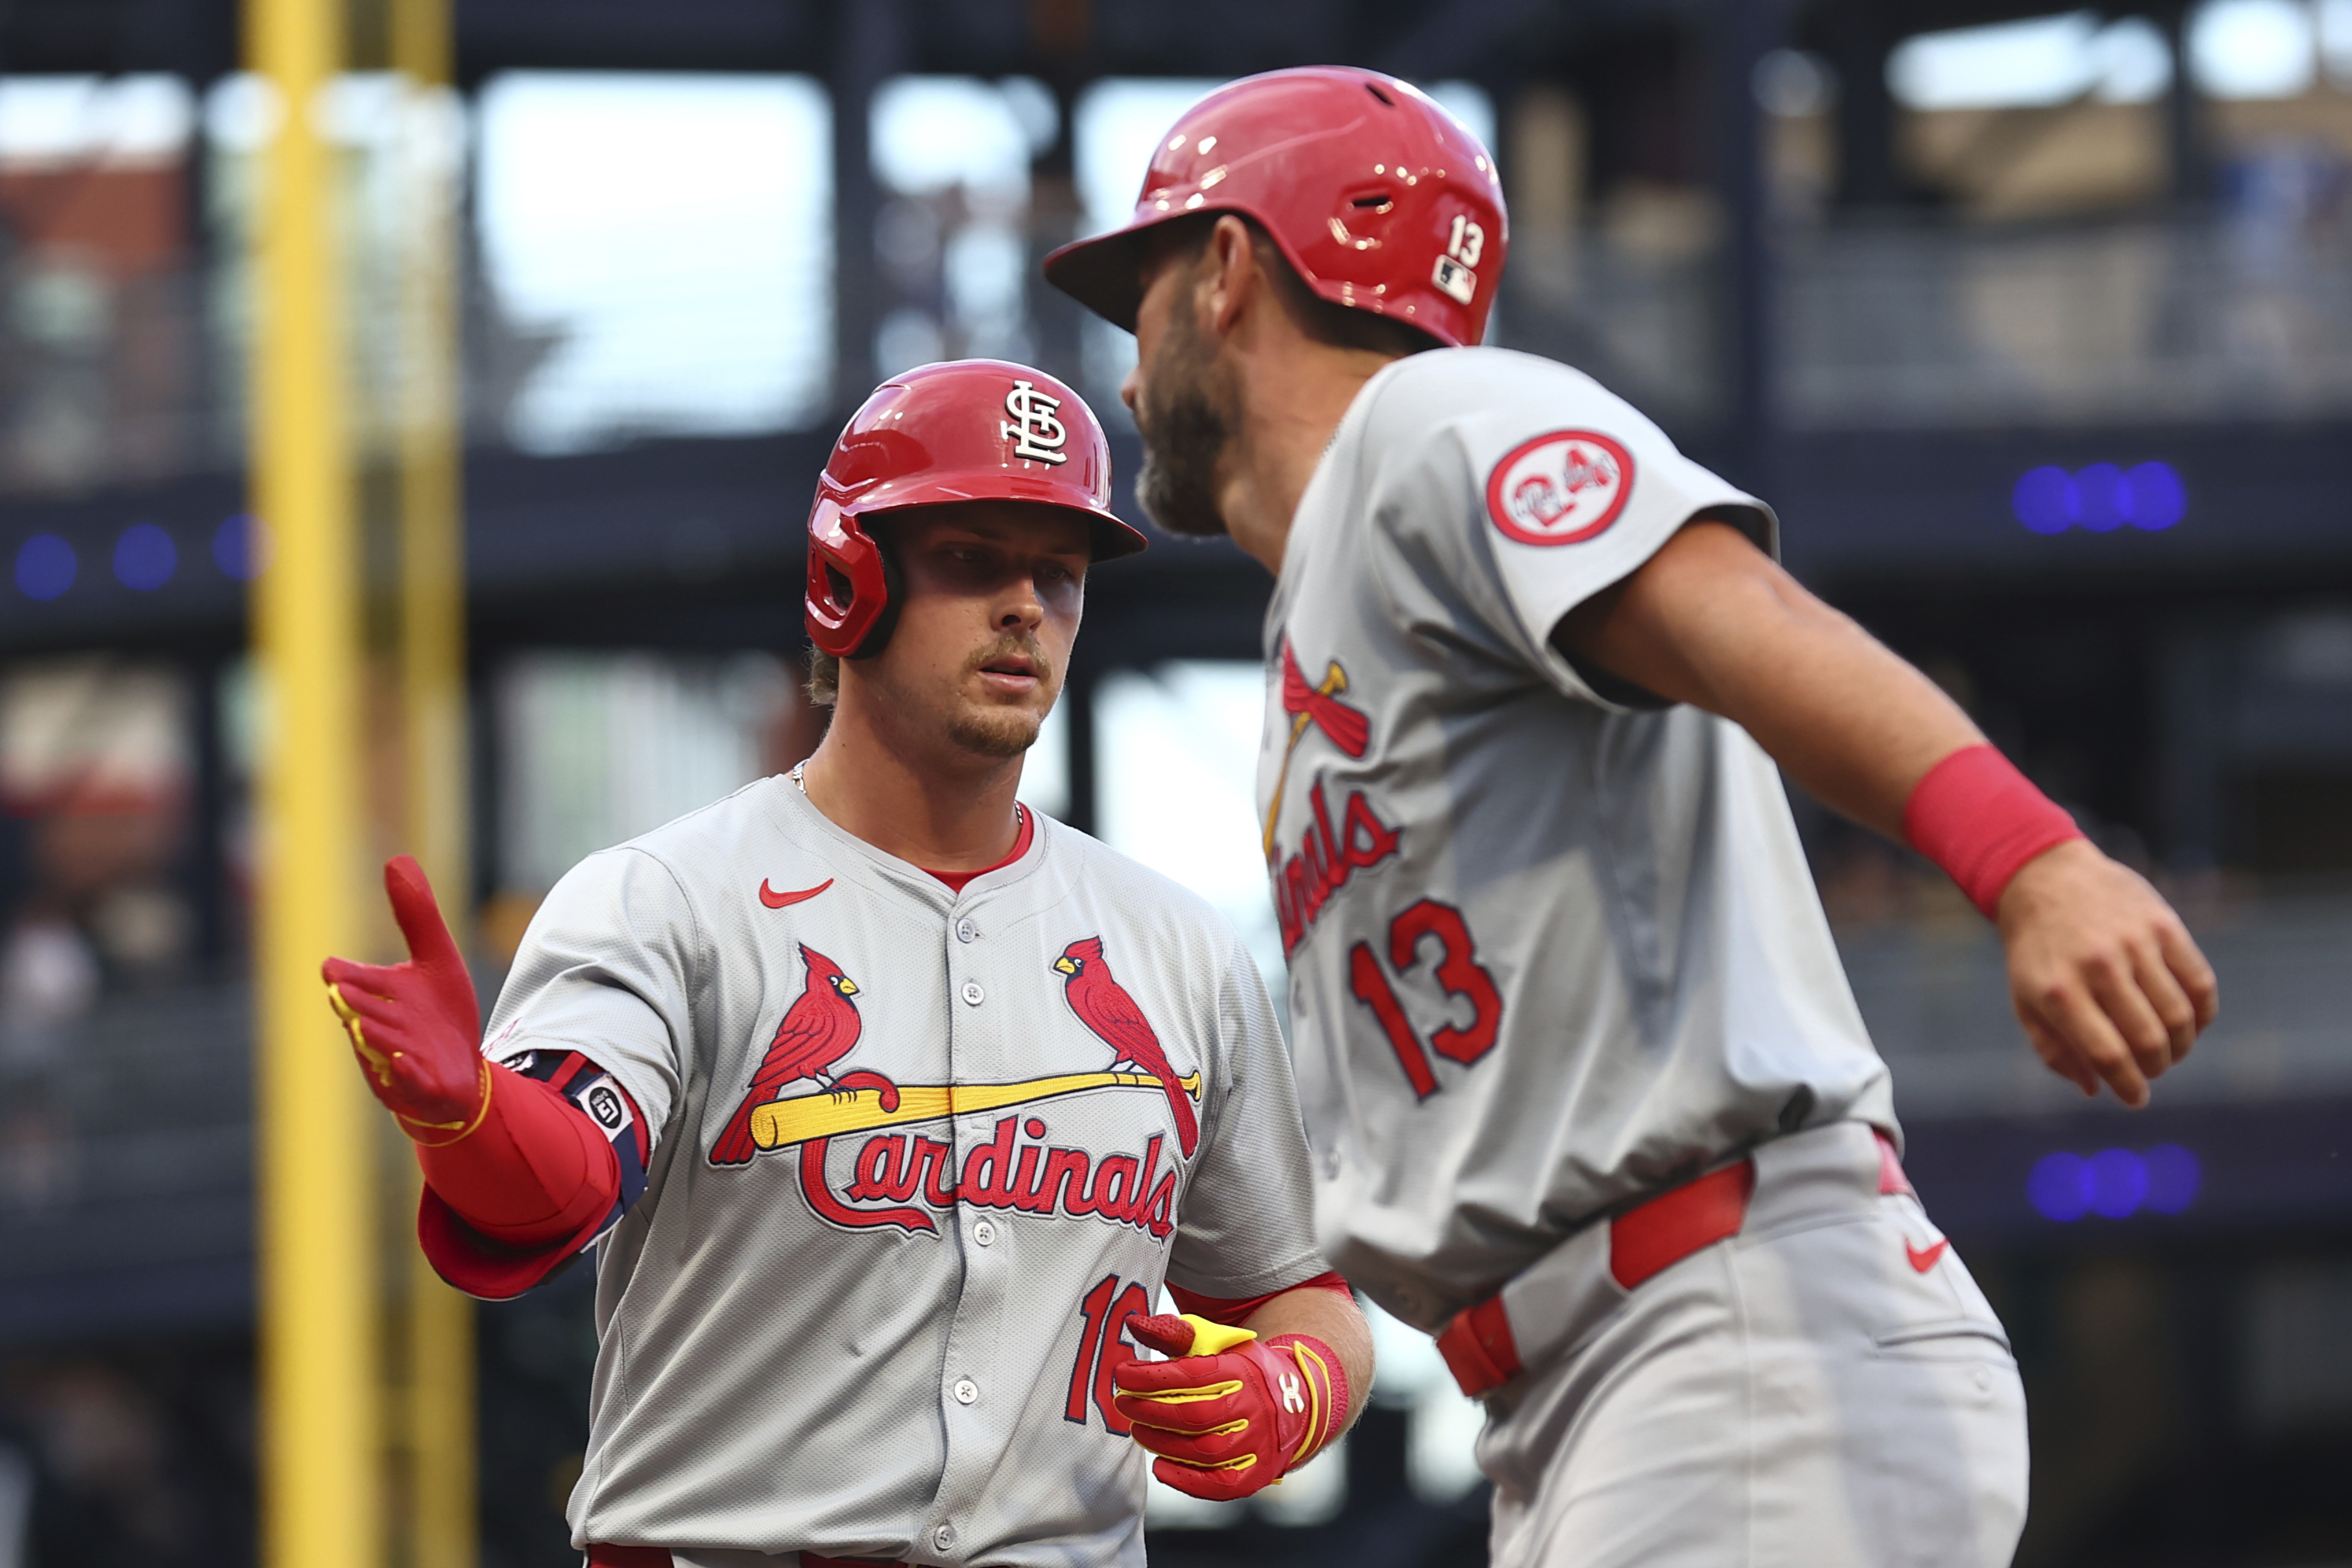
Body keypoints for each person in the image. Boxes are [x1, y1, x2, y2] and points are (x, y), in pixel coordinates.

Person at [1044, 68, 2220, 1567]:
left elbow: (1741, 618)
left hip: (1726, 1337)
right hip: (1598, 1394)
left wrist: (2031, 858)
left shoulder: (1433, 423)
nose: (1125, 368)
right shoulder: (1332, 600)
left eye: (1137, 287)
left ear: (1225, 273)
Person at [319, 359, 1370, 1568]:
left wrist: (1292, 1390)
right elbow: (550, 1192)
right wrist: (470, 1118)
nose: (1026, 604)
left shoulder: (1174, 945)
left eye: (1059, 573)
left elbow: (1300, 1294)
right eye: (974, 558)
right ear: (847, 580)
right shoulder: (670, 899)